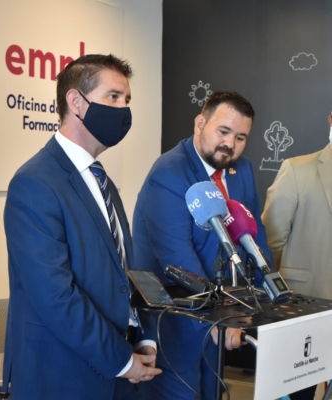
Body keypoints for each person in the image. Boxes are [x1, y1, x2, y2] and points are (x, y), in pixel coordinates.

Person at [2, 54, 161, 400]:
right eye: (113, 97)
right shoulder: (35, 183)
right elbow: (55, 296)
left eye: (127, 100)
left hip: (120, 370)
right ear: (76, 101)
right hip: (64, 376)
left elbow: (125, 270)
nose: (123, 110)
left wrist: (144, 335)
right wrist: (120, 360)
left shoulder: (100, 178)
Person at [133, 92, 272, 399]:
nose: (230, 144)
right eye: (223, 132)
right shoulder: (168, 173)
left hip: (218, 317)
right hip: (176, 323)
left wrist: (271, 294)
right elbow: (178, 260)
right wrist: (223, 319)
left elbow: (254, 236)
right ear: (200, 124)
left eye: (240, 137)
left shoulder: (242, 170)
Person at [261, 112, 332, 400]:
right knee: (296, 392)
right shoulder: (297, 168)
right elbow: (273, 242)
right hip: (304, 306)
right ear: (330, 119)